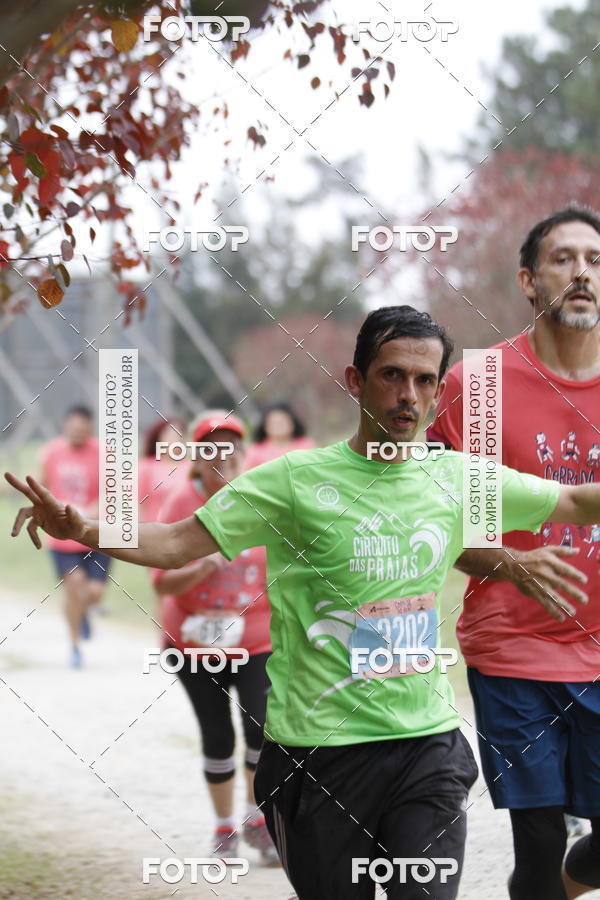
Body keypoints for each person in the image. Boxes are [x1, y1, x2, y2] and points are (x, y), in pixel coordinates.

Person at [8, 304, 600, 899]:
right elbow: (176, 542)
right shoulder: (291, 482)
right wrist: (85, 528)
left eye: (425, 381)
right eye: (392, 375)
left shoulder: (455, 477)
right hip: (320, 756)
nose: (408, 396)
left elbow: (574, 503)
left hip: (428, 747)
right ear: (355, 380)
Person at [428, 205, 600, 900]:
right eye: (564, 259)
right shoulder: (480, 386)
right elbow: (432, 512)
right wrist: (509, 563)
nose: (583, 272)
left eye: (594, 259)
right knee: (538, 839)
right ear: (530, 281)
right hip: (515, 649)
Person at [152, 410, 278, 865]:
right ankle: (224, 829)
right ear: (197, 458)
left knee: (261, 728)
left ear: (243, 454)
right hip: (193, 644)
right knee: (219, 735)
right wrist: (203, 565)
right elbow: (161, 583)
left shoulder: (261, 497)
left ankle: (255, 820)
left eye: (231, 446)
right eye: (211, 448)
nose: (223, 456)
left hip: (256, 639)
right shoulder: (180, 502)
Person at [39, 405, 111, 668]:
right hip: (62, 537)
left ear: (90, 429)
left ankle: (82, 612)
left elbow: (112, 489)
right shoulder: (50, 453)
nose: (79, 433)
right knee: (74, 587)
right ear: (65, 426)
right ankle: (74, 646)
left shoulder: (103, 453)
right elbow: (40, 487)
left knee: (94, 591)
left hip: (95, 532)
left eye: (84, 429)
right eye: (74, 428)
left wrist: (95, 507)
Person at [138, 417, 186, 522]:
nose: (175, 439)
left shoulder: (191, 466)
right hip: (155, 530)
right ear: (160, 438)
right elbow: (138, 504)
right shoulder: (147, 467)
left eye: (178, 434)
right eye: (170, 434)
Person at [244, 401, 314, 469]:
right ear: (265, 426)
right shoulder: (256, 451)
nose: (279, 426)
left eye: (282, 422)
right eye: (274, 423)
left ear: (292, 423)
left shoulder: (305, 445)